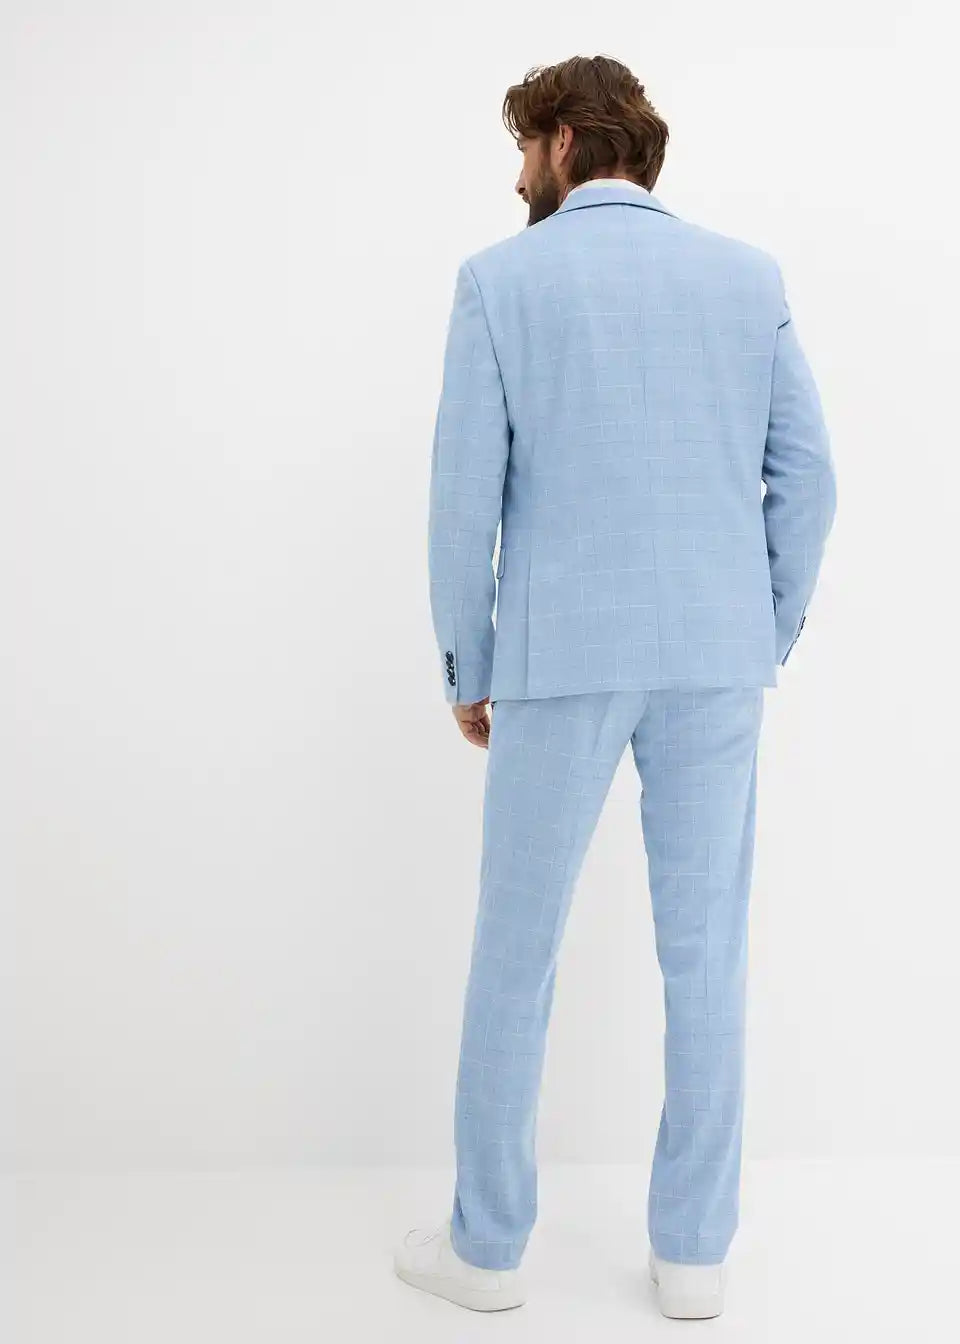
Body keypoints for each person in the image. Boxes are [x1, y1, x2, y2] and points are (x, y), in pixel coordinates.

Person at [394, 54, 836, 1318]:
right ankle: (693, 1256)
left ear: (566, 142)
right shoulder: (747, 278)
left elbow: (462, 500)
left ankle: (487, 1253)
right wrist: (760, 628)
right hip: (714, 660)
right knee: (708, 957)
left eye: (523, 148)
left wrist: (468, 662)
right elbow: (810, 479)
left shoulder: (501, 281)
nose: (517, 176)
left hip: (559, 659)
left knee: (514, 955)